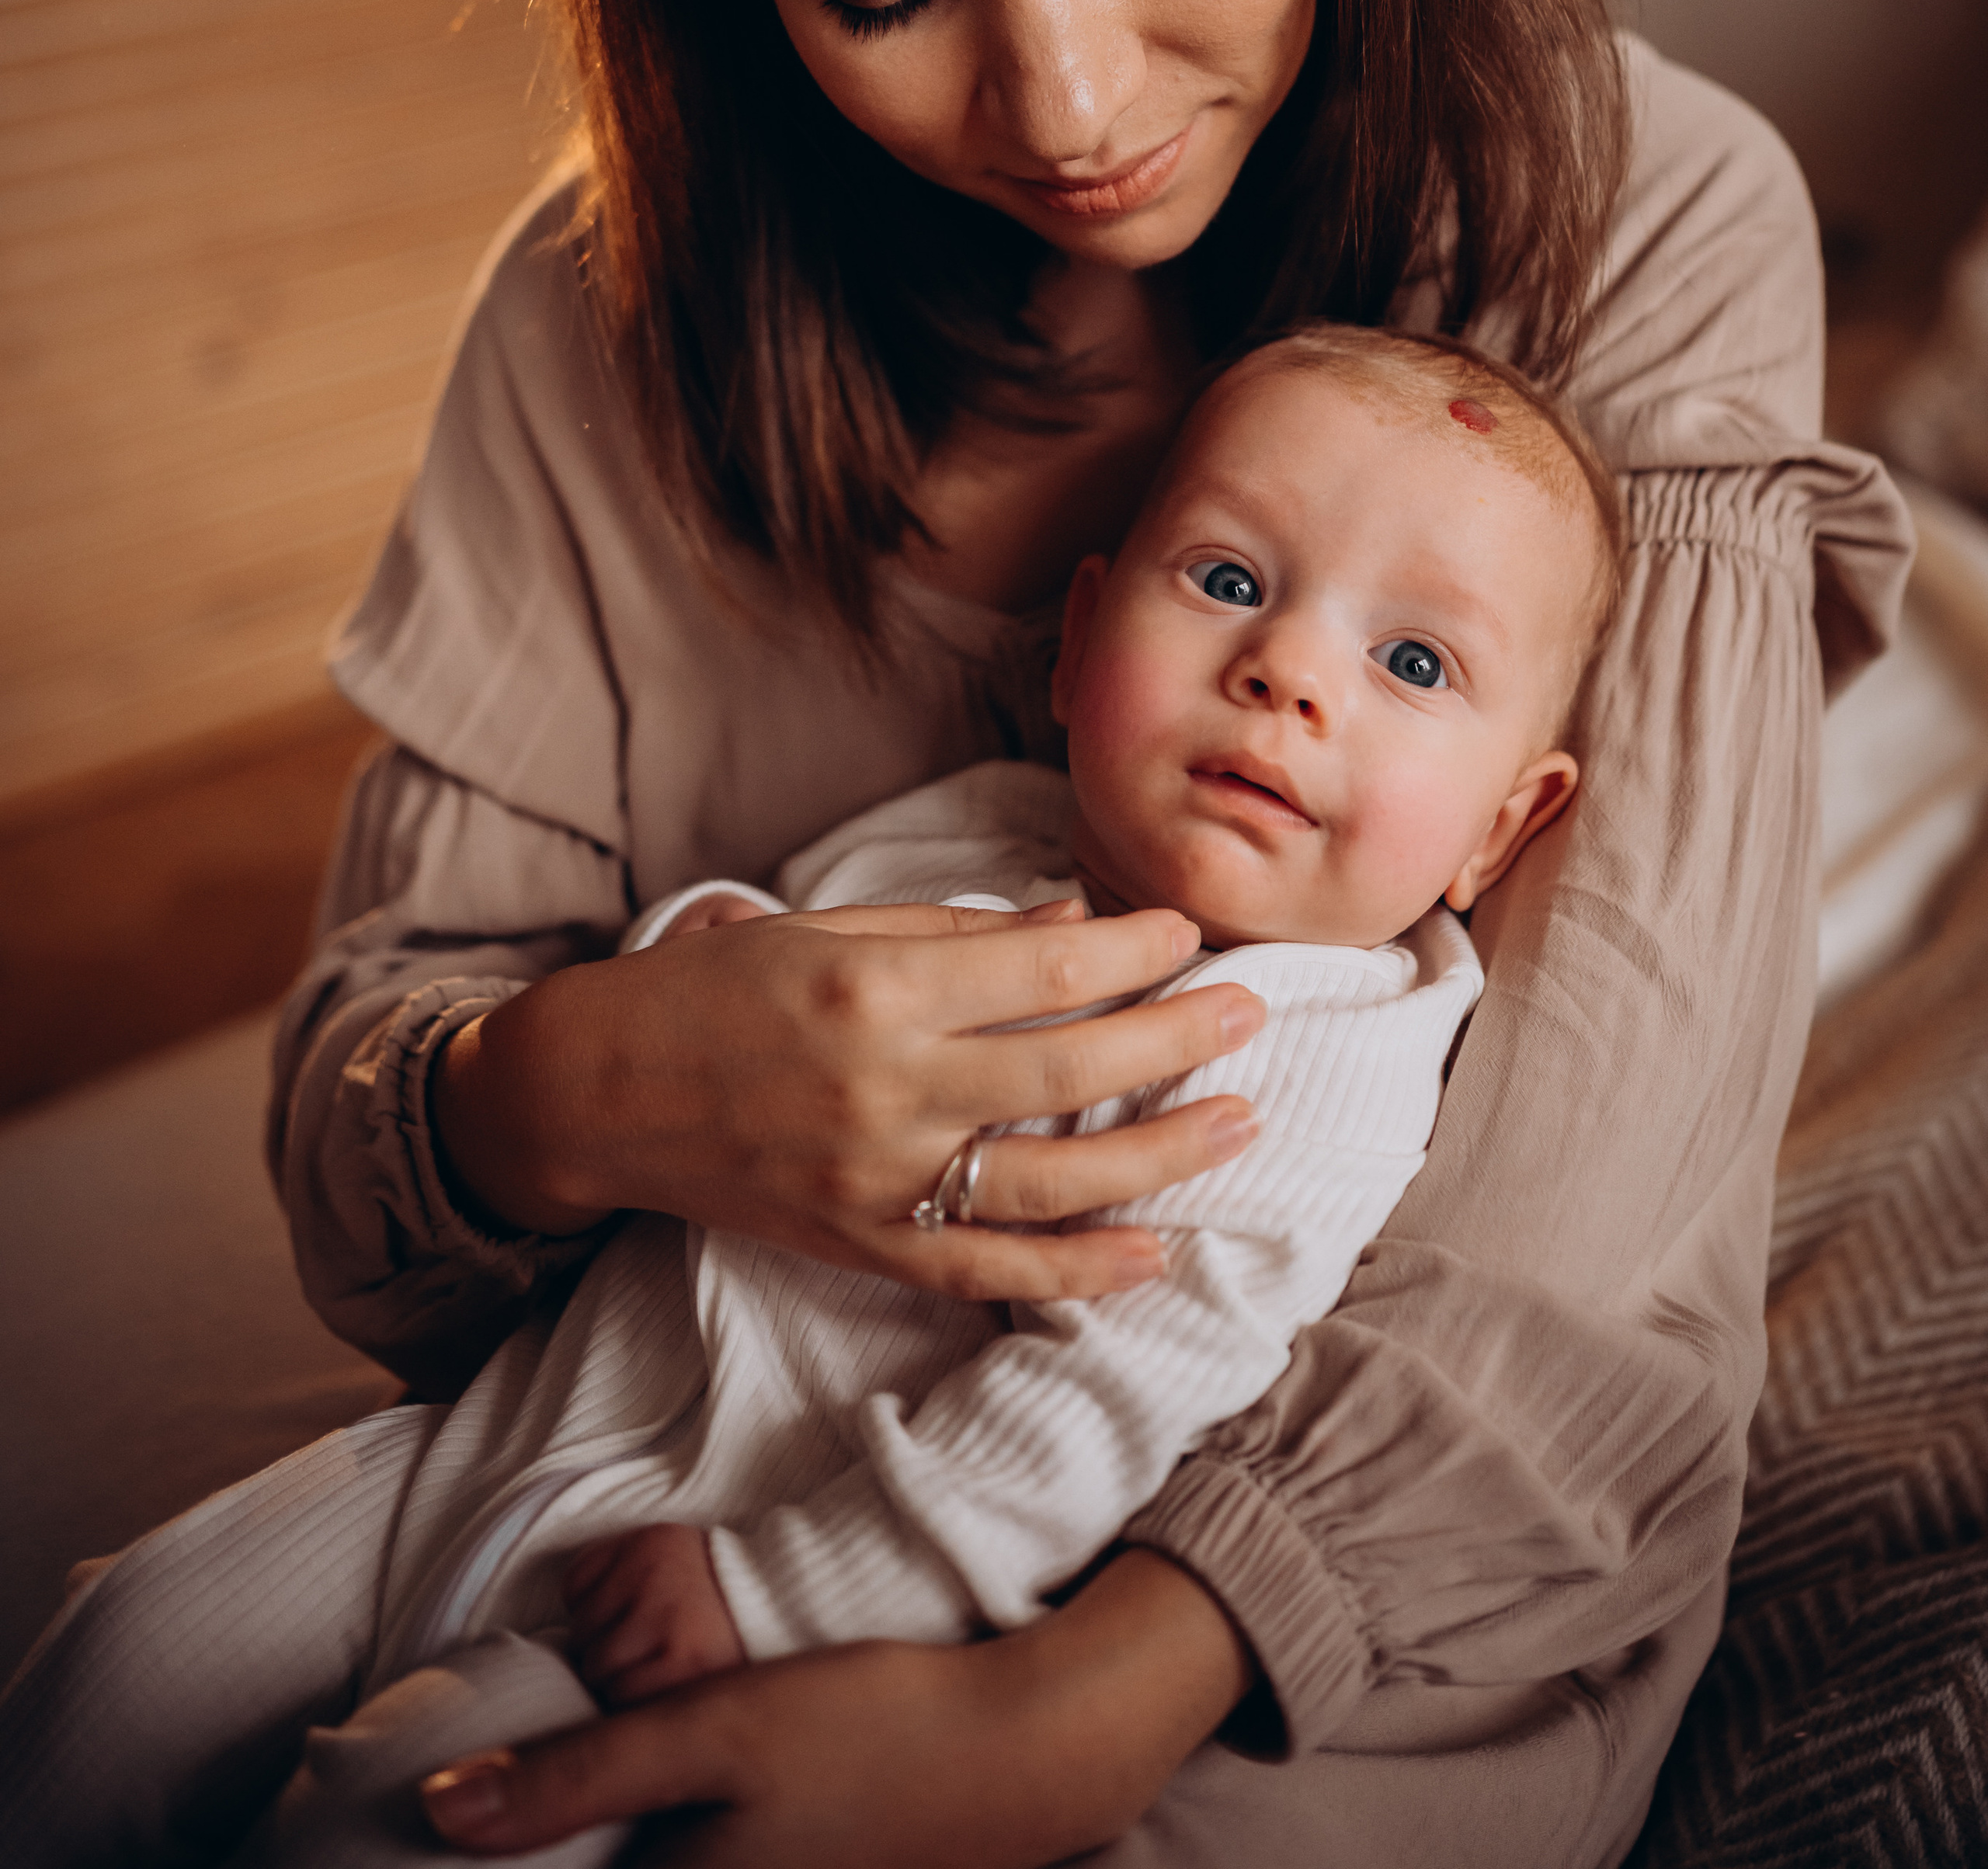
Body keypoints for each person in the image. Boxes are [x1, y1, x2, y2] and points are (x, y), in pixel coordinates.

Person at [162, 0, 1913, 1865]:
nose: (1070, 103)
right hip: (659, 1475)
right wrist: (633, 1069)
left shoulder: (1651, 217)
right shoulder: (597, 324)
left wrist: (1058, 1710)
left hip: (1327, 1625)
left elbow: (1584, 1258)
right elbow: (372, 1172)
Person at [0, 328, 1620, 1865]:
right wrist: (684, 954)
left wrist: (790, 1589)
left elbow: (1114, 1399)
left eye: (1411, 659)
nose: (1284, 670)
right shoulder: (966, 825)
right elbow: (728, 1012)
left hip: (708, 1582)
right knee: (119, 1658)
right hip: (482, 1446)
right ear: (1072, 646)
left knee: (409, 1818)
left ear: (1497, 827)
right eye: (1223, 579)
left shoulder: (1324, 1050)